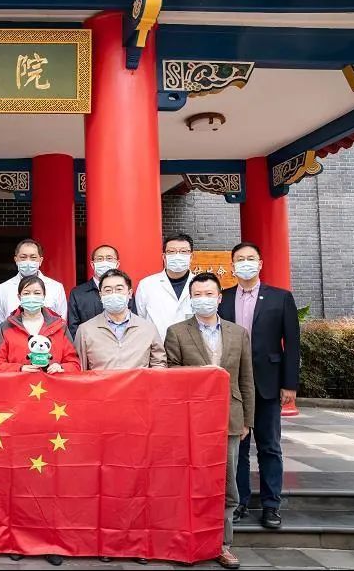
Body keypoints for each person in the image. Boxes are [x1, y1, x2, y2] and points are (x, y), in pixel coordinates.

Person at [165, 272, 254, 570]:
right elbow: (170, 374)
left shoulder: (238, 333)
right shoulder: (177, 332)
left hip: (229, 418)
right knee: (190, 481)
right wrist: (201, 375)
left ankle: (222, 544)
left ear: (219, 298)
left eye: (209, 294)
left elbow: (246, 379)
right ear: (190, 299)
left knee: (226, 484)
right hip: (191, 420)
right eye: (197, 295)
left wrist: (247, 420)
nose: (203, 299)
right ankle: (186, 540)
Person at [219, 242, 299, 530]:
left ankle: (271, 505)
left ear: (260, 263)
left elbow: (292, 344)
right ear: (232, 266)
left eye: (250, 258)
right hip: (234, 385)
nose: (245, 263)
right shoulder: (223, 298)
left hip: (267, 382)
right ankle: (239, 501)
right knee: (237, 447)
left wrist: (289, 384)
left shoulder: (280, 298)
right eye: (240, 259)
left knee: (269, 446)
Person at [0, 275, 80, 377]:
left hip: (52, 385)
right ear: (19, 297)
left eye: (37, 293)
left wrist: (61, 367)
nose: (31, 297)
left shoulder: (59, 326)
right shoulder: (6, 327)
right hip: (18, 385)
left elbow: (75, 364)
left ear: (44, 296)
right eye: (26, 293)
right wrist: (19, 368)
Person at [74, 269, 166, 370]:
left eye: (119, 289)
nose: (113, 294)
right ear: (101, 295)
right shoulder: (85, 330)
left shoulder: (148, 328)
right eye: (108, 290)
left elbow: (159, 364)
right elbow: (79, 368)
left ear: (130, 293)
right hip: (102, 381)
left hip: (138, 381)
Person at [0, 239, 68, 330]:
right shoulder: (3, 289)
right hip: (12, 338)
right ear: (16, 260)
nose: (28, 261)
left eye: (33, 257)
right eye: (23, 257)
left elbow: (61, 324)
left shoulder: (56, 288)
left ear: (40, 260)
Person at [67, 244, 136, 339]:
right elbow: (73, 328)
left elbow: (133, 321)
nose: (104, 262)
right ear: (92, 264)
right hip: (89, 344)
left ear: (117, 264)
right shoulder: (78, 293)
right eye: (100, 259)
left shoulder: (124, 291)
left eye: (109, 258)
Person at [135, 233, 196, 341]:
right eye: (171, 251)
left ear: (191, 257)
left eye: (183, 251)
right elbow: (140, 318)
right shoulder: (147, 284)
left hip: (192, 347)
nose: (177, 256)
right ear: (164, 257)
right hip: (157, 347)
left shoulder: (201, 285)